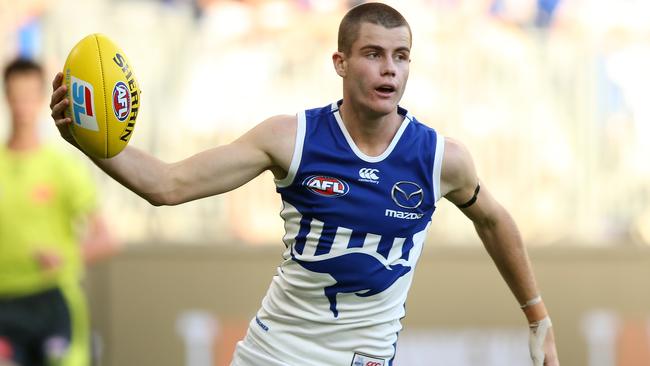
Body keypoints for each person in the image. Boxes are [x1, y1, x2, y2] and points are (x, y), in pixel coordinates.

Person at [49, 3, 559, 365]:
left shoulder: (439, 158)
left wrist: (537, 315)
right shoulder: (290, 138)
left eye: (400, 57)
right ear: (340, 63)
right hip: (274, 354)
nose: (389, 69)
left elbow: (492, 219)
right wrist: (87, 140)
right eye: (374, 54)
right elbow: (168, 184)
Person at [0, 58, 118, 366]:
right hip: (5, 302)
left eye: (29, 96)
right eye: (15, 95)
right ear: (6, 97)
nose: (22, 107)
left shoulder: (62, 167)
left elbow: (106, 238)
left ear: (41, 99)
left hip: (53, 300)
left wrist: (64, 256)